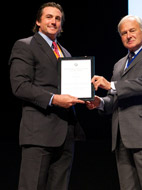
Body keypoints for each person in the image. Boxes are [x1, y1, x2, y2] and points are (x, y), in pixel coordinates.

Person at [86, 15, 142, 190]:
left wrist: (111, 85)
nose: (128, 35)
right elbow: (115, 98)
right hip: (121, 139)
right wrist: (100, 102)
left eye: (132, 30)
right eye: (124, 33)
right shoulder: (119, 65)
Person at [9, 2, 85, 190]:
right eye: (49, 17)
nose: (54, 21)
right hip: (39, 133)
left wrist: (85, 96)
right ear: (38, 22)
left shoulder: (65, 52)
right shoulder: (25, 45)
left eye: (58, 18)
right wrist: (54, 99)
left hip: (66, 133)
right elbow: (20, 86)